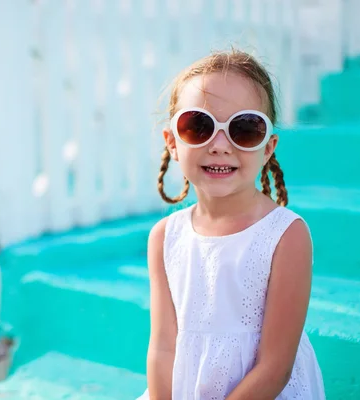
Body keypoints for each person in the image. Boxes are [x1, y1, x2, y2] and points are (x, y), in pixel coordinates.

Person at [137, 49, 325, 399]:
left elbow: (275, 366)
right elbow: (163, 349)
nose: (220, 146)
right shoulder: (164, 237)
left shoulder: (286, 236)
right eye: (198, 126)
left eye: (244, 128)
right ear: (172, 143)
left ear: (268, 147)